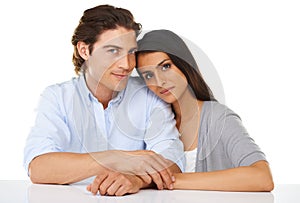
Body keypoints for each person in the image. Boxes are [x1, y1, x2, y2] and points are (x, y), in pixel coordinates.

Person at [23, 6, 185, 196]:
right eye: (113, 51)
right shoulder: (58, 97)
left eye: (131, 52)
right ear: (84, 50)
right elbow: (39, 168)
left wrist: (137, 179)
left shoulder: (148, 95)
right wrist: (115, 159)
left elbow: (173, 161)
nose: (126, 64)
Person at [136, 29, 274, 192]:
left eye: (165, 66)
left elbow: (262, 178)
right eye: (149, 75)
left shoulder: (218, 118)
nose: (159, 81)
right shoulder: (152, 123)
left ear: (184, 63)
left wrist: (169, 179)